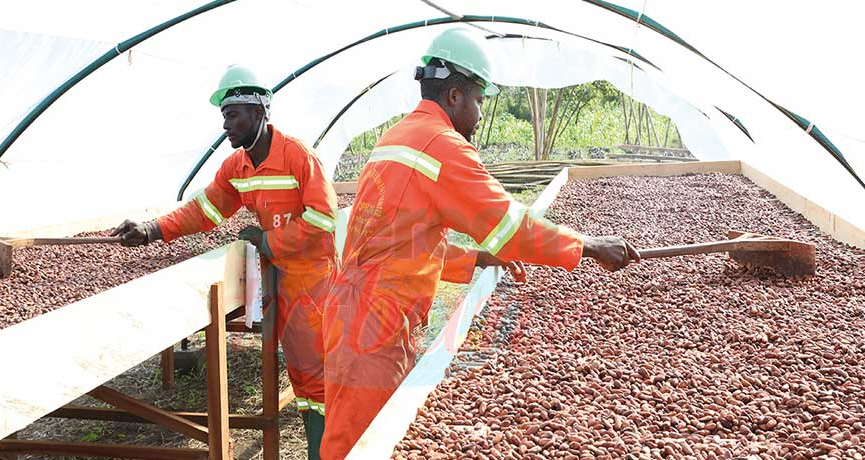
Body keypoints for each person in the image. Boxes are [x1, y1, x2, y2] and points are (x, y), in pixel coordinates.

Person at [320, 28, 641, 459]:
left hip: (354, 312)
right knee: (361, 446)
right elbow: (512, 226)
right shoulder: (442, 146)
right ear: (455, 96)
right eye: (478, 101)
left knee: (353, 434)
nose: (478, 115)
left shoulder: (398, 137)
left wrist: (476, 258)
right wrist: (589, 246)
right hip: (373, 325)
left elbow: (398, 241)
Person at [111, 65, 336, 459]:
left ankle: (326, 450)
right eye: (224, 116)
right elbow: (205, 210)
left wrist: (268, 241)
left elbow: (323, 221)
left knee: (317, 378)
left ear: (259, 112)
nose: (226, 125)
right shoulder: (239, 166)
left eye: (233, 115)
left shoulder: (298, 157)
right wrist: (152, 230)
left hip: (311, 283)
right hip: (278, 281)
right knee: (301, 378)